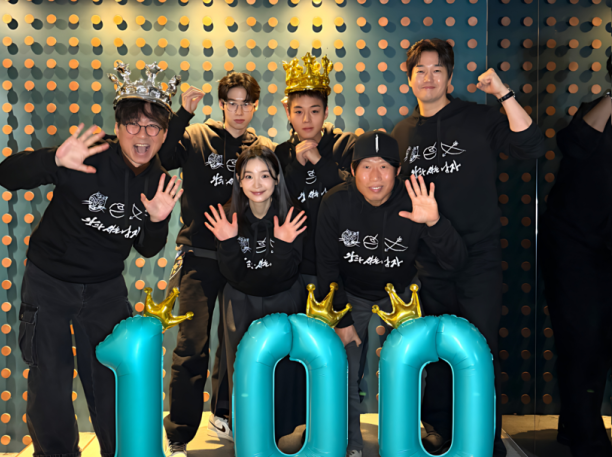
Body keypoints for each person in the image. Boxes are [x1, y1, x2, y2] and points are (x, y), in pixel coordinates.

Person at [0, 62, 183, 457]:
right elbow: (5, 176)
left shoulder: (159, 180)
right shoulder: (89, 155)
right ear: (118, 127)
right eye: (133, 124)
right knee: (50, 379)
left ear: (165, 134)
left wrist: (157, 221)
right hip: (50, 282)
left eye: (153, 128)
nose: (142, 135)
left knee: (111, 379)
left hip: (105, 289)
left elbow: (148, 248)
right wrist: (52, 160)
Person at [390, 38, 545, 456]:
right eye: (420, 71)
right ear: (409, 79)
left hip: (478, 260)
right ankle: (441, 432)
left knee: (479, 352)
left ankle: (485, 442)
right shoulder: (402, 133)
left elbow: (532, 145)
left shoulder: (478, 117)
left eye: (437, 70)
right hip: (429, 263)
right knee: (437, 352)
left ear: (450, 76)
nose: (428, 78)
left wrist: (504, 94)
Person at [316, 130, 468, 457]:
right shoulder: (335, 202)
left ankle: (403, 445)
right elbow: (327, 267)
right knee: (342, 367)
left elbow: (455, 261)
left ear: (398, 171)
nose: (375, 177)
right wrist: (342, 320)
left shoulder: (414, 200)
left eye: (384, 166)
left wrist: (435, 222)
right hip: (350, 293)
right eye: (366, 166)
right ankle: (349, 444)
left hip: (400, 295)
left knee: (411, 366)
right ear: (353, 170)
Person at [158, 72, 275, 456]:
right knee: (192, 344)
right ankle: (179, 433)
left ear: (255, 106)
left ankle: (226, 415)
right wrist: (181, 114)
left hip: (243, 257)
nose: (239, 111)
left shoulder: (263, 148)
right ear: (222, 104)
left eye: (246, 104)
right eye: (232, 103)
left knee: (239, 346)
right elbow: (163, 157)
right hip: (200, 256)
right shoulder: (196, 137)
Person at [204, 146, 308, 442]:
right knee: (242, 367)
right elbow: (234, 276)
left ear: (277, 179)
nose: (257, 184)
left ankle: (283, 430)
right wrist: (227, 243)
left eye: (264, 175)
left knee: (283, 368)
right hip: (241, 303)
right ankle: (243, 428)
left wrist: (283, 245)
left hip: (283, 301)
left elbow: (283, 277)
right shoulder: (227, 216)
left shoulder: (292, 216)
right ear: (239, 181)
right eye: (248, 176)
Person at [539, 67, 612, 457]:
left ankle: (574, 423)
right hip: (573, 244)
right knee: (582, 339)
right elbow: (573, 143)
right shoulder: (595, 110)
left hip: (607, 244)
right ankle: (588, 442)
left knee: (600, 342)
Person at [275, 52, 356, 288]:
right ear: (288, 113)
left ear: (326, 112)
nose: (306, 119)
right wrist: (297, 166)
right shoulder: (281, 153)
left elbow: (355, 194)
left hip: (342, 263)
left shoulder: (346, 144)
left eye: (315, 110)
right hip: (294, 265)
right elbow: (277, 203)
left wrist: (319, 161)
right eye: (298, 111)